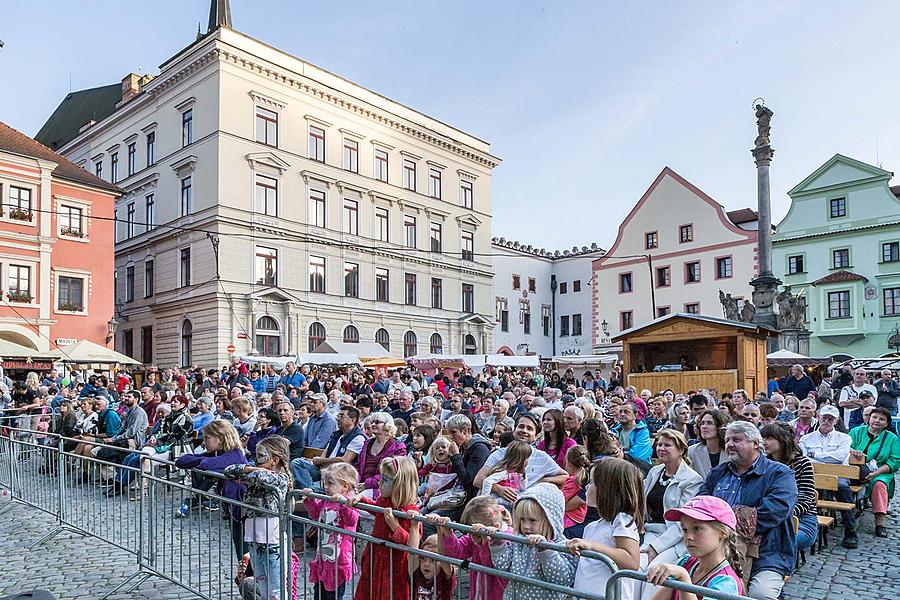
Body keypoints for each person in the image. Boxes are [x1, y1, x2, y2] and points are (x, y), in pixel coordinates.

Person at [699, 421, 798, 600]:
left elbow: (773, 511)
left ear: (755, 444)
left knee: (760, 595)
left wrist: (724, 524)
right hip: (715, 548)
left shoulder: (779, 474)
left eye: (736, 439)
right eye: (727, 440)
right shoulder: (718, 473)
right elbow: (701, 505)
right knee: (686, 583)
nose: (729, 444)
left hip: (767, 552)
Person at [224, 436, 292, 600]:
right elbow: (228, 471)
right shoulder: (259, 471)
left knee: (276, 590)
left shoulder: (281, 478)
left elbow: (259, 478)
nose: (257, 460)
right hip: (255, 539)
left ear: (275, 460)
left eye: (262, 456)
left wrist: (249, 473)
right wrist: (250, 469)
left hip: (272, 541)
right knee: (262, 584)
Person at [639, 430, 704, 599]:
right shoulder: (655, 471)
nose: (661, 448)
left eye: (667, 445)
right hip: (650, 531)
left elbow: (683, 522)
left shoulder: (692, 479)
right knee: (636, 566)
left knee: (654, 571)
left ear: (681, 450)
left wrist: (656, 547)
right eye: (659, 444)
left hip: (675, 538)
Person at [566, 459, 643, 600]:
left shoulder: (622, 520)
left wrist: (593, 546)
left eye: (592, 482)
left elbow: (632, 562)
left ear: (607, 489)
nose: (588, 487)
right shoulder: (592, 527)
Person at [487, 483, 577, 599]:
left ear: (551, 520)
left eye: (532, 520)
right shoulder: (519, 541)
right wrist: (498, 542)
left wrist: (545, 550)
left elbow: (562, 579)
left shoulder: (562, 545)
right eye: (522, 520)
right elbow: (502, 566)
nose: (525, 526)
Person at [644, 496, 745, 599]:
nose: (689, 537)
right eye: (685, 529)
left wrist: (684, 579)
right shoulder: (685, 563)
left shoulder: (727, 583)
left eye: (697, 528)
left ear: (722, 533)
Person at [351, 456, 420, 600]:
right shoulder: (384, 500)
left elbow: (413, 542)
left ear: (400, 484)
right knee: (368, 591)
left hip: (395, 564)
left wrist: (395, 527)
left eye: (386, 480)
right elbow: (376, 509)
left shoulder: (411, 512)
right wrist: (361, 499)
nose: (380, 483)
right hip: (375, 557)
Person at [798, 404, 858, 548]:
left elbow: (840, 456)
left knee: (843, 487)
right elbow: (805, 458)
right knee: (803, 490)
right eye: (824, 418)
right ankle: (803, 526)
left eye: (831, 419)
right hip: (813, 475)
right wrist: (823, 458)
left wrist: (816, 455)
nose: (827, 421)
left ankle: (850, 530)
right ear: (818, 417)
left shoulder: (844, 438)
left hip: (838, 474)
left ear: (836, 421)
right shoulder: (806, 438)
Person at [473, 414, 567, 502]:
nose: (524, 431)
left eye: (529, 429)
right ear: (514, 431)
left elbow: (564, 476)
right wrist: (498, 489)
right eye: (521, 426)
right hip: (496, 505)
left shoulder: (542, 457)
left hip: (523, 509)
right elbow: (478, 480)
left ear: (536, 436)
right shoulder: (499, 454)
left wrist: (542, 481)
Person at [430, 496, 510, 600]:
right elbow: (457, 553)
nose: (471, 535)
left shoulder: (507, 538)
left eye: (474, 532)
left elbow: (489, 566)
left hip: (498, 595)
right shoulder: (474, 537)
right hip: (478, 593)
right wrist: (448, 530)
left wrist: (484, 542)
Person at [300, 463, 360, 600]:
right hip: (323, 555)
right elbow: (316, 514)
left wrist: (344, 505)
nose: (326, 487)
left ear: (345, 486)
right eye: (325, 483)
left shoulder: (350, 502)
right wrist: (310, 500)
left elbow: (352, 521)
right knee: (319, 593)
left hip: (339, 559)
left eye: (330, 483)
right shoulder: (327, 501)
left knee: (333, 595)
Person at [761, 422, 817, 552]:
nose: (764, 442)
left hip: (802, 520)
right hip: (771, 520)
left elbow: (806, 498)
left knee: (776, 544)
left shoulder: (802, 463)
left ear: (783, 440)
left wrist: (781, 513)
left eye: (769, 438)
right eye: (763, 438)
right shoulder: (764, 464)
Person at [849, 406, 900, 537]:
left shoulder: (892, 438)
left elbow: (895, 461)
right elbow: (844, 447)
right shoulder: (856, 431)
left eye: (882, 419)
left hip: (881, 472)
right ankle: (848, 515)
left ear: (887, 423)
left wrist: (876, 474)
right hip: (855, 469)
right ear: (868, 418)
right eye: (874, 417)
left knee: (879, 486)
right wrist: (852, 451)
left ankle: (880, 523)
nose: (877, 421)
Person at [356, 412, 407, 500]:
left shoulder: (398, 447)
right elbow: (358, 465)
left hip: (382, 488)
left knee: (355, 501)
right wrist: (354, 480)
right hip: (360, 484)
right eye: (372, 422)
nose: (373, 424)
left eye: (377, 422)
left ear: (387, 425)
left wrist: (366, 484)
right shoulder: (367, 443)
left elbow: (392, 473)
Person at [445, 414, 493, 502]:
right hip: (458, 495)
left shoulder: (479, 449)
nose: (451, 437)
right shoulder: (464, 447)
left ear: (465, 430)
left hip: (471, 500)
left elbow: (467, 478)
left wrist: (456, 455)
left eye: (454, 432)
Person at [688, 409, 731, 479]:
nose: (704, 426)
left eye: (709, 423)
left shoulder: (730, 451)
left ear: (720, 426)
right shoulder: (692, 451)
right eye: (702, 423)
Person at [561, 445, 591, 538]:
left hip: (571, 517)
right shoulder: (584, 478)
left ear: (569, 464)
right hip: (579, 517)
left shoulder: (573, 480)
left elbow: (563, 498)